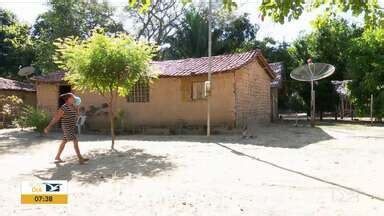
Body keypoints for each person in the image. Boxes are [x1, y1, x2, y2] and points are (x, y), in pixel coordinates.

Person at [44, 93, 89, 164]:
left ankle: (57, 156)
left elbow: (76, 115)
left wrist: (77, 108)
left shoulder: (73, 106)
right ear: (69, 98)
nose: (74, 98)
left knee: (64, 141)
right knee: (75, 140)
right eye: (73, 97)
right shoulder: (64, 107)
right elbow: (56, 118)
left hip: (71, 127)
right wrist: (49, 126)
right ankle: (80, 158)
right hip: (66, 126)